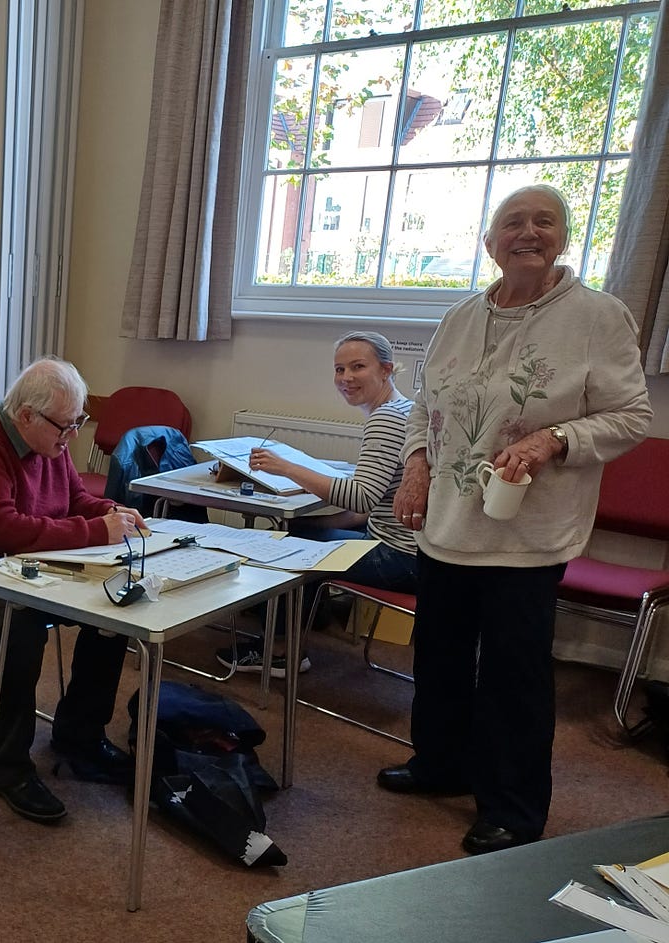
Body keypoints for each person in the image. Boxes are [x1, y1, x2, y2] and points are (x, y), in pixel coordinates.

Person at [380, 185, 653, 855]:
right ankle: (440, 764)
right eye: (513, 221)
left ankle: (513, 807)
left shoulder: (598, 315)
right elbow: (423, 403)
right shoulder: (460, 316)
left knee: (513, 674)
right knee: (439, 655)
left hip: (527, 532)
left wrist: (553, 439)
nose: (527, 232)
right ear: (489, 241)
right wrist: (415, 465)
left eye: (544, 220)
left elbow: (631, 416)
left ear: (564, 236)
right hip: (447, 522)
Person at [0, 357, 148, 824]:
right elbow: (3, 530)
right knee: (21, 621)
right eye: (67, 425)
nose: (74, 435)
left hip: (22, 567)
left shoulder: (49, 441)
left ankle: (79, 735)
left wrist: (112, 510)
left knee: (116, 601)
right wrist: (97, 531)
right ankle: (7, 766)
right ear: (26, 417)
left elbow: (73, 500)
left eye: (79, 421)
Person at [216, 331, 417, 677]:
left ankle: (278, 653)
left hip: (399, 558)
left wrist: (287, 468)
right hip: (413, 553)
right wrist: (318, 525)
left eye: (358, 367)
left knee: (282, 545)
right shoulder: (405, 409)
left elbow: (361, 497)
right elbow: (372, 505)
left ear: (386, 370)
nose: (346, 378)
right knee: (298, 531)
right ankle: (294, 634)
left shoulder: (386, 419)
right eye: (339, 370)